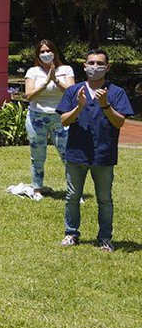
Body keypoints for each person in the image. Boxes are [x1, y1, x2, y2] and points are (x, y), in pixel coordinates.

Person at [57, 49, 134, 252]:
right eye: (91, 63)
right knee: (72, 196)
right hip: (76, 153)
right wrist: (79, 107)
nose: (95, 67)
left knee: (105, 199)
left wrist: (105, 105)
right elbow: (64, 119)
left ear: (107, 67)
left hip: (103, 153)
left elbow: (119, 122)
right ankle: (71, 233)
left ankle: (105, 238)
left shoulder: (116, 93)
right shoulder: (74, 91)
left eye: (100, 63)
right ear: (84, 66)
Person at [23, 39, 74, 195]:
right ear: (38, 55)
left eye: (48, 51)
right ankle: (37, 189)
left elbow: (71, 92)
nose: (46, 54)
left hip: (61, 117)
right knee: (37, 156)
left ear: (55, 52)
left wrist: (56, 80)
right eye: (42, 52)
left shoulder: (66, 69)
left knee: (68, 155)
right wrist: (45, 83)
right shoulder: (33, 72)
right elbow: (29, 95)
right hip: (36, 118)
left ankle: (73, 191)